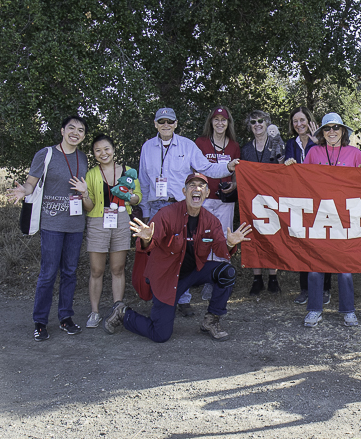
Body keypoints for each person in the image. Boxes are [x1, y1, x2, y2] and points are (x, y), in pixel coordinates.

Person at [102, 173, 253, 342]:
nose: (196, 189)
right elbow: (149, 243)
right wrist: (147, 239)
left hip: (193, 272)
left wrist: (230, 243)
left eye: (201, 186)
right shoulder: (167, 214)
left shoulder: (211, 221)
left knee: (227, 272)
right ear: (184, 191)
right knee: (160, 335)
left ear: (207, 193)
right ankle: (123, 313)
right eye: (192, 185)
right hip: (167, 277)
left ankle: (211, 321)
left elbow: (220, 249)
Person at [138, 107, 239, 316]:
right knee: (158, 255)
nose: (166, 125)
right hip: (157, 207)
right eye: (161, 122)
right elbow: (144, 181)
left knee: (181, 253)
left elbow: (207, 168)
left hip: (180, 207)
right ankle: (160, 296)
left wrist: (227, 168)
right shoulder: (147, 147)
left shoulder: (187, 145)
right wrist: (145, 212)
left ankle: (182, 298)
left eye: (170, 121)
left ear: (176, 124)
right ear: (155, 124)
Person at [285, 113, 361, 327]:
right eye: (327, 128)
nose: (331, 132)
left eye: (336, 128)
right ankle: (314, 309)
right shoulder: (314, 152)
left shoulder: (354, 153)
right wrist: (291, 168)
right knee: (315, 265)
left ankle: (348, 311)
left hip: (345, 217)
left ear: (343, 131)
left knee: (345, 266)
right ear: (321, 133)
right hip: (319, 216)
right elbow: (302, 181)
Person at [7, 116, 89, 341]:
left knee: (70, 272)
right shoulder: (46, 154)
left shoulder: (83, 157)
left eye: (81, 130)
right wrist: (24, 190)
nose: (75, 133)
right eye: (71, 128)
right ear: (62, 130)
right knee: (48, 273)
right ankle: (40, 322)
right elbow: (31, 183)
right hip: (52, 223)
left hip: (75, 224)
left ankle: (65, 317)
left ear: (83, 136)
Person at [69, 134, 141, 328]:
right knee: (96, 270)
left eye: (106, 149)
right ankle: (95, 312)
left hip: (121, 220)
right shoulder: (91, 174)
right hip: (97, 221)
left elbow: (137, 198)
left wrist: (130, 196)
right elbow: (89, 206)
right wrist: (84, 193)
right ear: (93, 153)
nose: (103, 153)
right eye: (98, 150)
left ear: (113, 149)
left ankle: (118, 311)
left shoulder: (128, 171)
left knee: (118, 269)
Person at [283, 106, 332, 305]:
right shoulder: (290, 144)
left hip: (322, 199)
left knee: (324, 244)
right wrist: (287, 165)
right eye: (295, 121)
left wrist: (318, 143)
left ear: (309, 121)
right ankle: (305, 288)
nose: (299, 124)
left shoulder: (321, 142)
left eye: (302, 120)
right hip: (300, 200)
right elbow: (287, 170)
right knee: (302, 243)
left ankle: (326, 288)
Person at [194, 106, 241, 300]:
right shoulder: (201, 142)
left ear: (228, 123)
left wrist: (234, 184)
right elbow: (195, 169)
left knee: (223, 236)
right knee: (205, 237)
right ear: (211, 122)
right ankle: (207, 278)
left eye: (223, 120)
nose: (220, 123)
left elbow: (237, 171)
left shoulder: (234, 146)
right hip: (204, 198)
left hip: (225, 199)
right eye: (216, 119)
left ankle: (222, 277)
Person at [240, 110, 283, 295]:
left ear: (267, 123)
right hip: (252, 199)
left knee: (273, 235)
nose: (257, 124)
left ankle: (273, 277)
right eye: (253, 122)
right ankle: (257, 278)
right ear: (249, 126)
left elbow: (283, 169)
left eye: (260, 121)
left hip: (273, 198)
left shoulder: (277, 144)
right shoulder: (245, 149)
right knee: (253, 235)